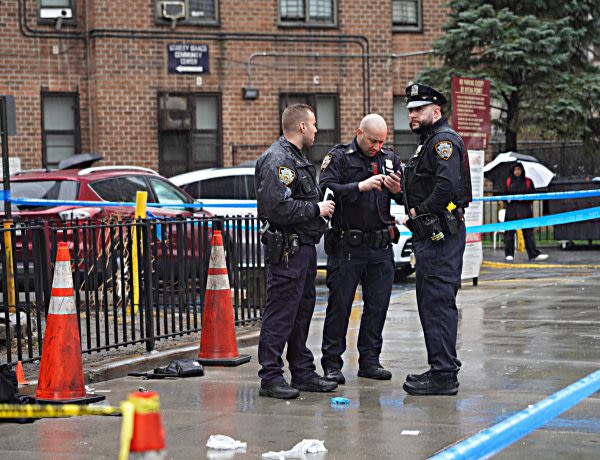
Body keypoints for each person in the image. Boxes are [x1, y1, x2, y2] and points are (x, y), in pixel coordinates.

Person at [255, 103, 338, 399]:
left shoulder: (296, 159)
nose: (316, 129)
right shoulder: (278, 160)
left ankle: (302, 371)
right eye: (313, 124)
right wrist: (317, 208)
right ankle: (271, 376)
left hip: (302, 248)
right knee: (281, 313)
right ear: (302, 126)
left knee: (301, 313)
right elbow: (277, 207)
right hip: (287, 251)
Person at [318, 114, 403, 384]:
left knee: (377, 307)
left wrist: (399, 189)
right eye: (372, 140)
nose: (376, 146)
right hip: (347, 246)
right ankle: (332, 364)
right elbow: (326, 188)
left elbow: (404, 194)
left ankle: (370, 361)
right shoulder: (340, 157)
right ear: (359, 132)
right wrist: (359, 186)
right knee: (340, 306)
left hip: (379, 246)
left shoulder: (389, 159)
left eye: (381, 141)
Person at [401, 83, 472, 396]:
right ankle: (443, 366)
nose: (413, 115)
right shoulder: (428, 141)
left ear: (436, 110)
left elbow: (445, 188)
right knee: (433, 303)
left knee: (437, 302)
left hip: (440, 236)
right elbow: (425, 184)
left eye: (419, 109)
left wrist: (420, 215)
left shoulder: (442, 140)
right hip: (433, 235)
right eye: (410, 110)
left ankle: (443, 375)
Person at [503, 162, 548, 261]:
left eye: (519, 169)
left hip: (525, 211)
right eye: (515, 170)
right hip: (511, 212)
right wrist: (507, 199)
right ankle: (509, 254)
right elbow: (503, 195)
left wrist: (523, 199)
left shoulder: (528, 181)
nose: (517, 172)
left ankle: (533, 254)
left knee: (528, 234)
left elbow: (533, 196)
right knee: (509, 234)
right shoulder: (508, 181)